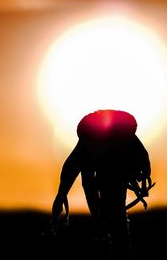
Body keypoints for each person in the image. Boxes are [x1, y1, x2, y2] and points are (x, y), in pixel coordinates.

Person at [49, 109, 154, 259]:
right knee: (118, 233)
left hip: (112, 181)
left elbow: (77, 173)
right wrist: (61, 196)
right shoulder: (93, 143)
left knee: (116, 232)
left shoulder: (94, 143)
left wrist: (60, 197)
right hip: (112, 182)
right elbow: (76, 172)